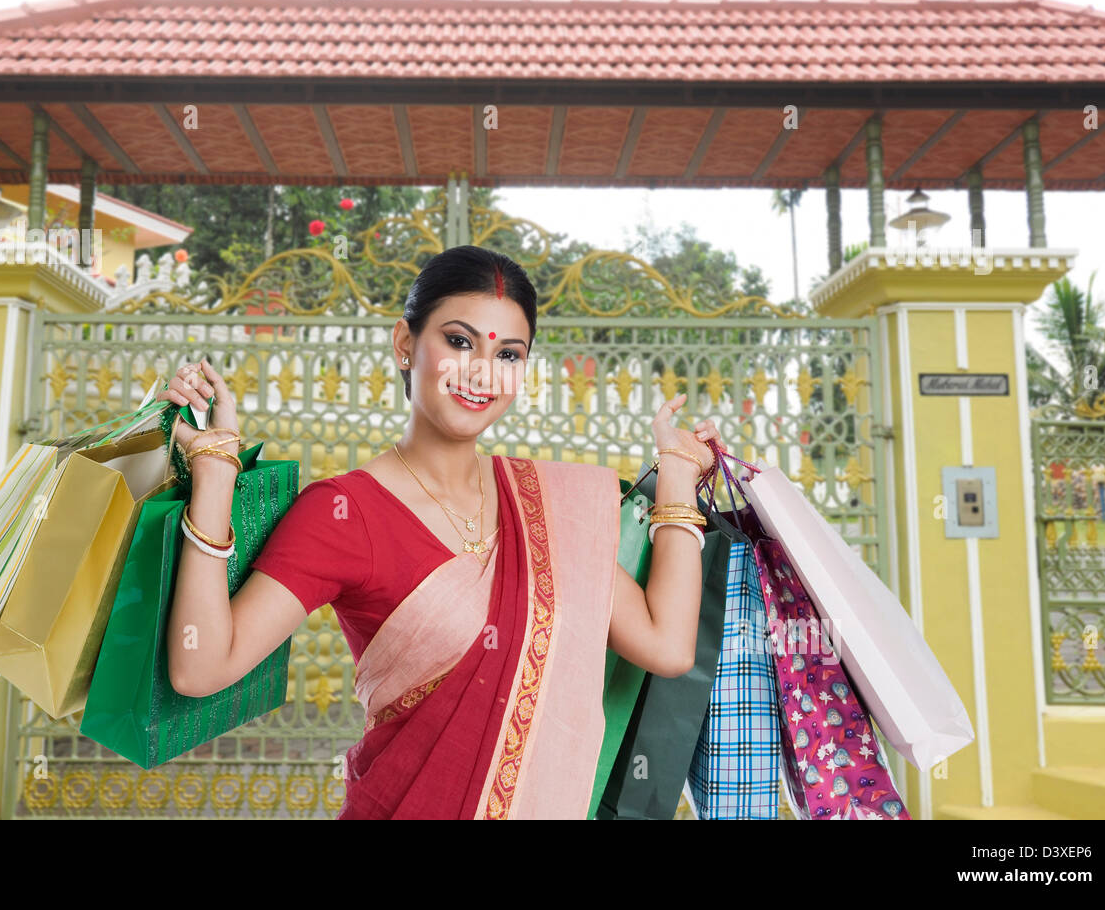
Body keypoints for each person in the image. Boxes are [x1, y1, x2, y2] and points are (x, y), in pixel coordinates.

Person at [159, 245, 726, 819]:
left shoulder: (548, 511)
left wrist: (677, 475)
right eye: (459, 341)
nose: (482, 373)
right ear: (406, 344)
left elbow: (667, 645)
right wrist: (213, 475)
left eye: (508, 354)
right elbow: (200, 667)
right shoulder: (343, 512)